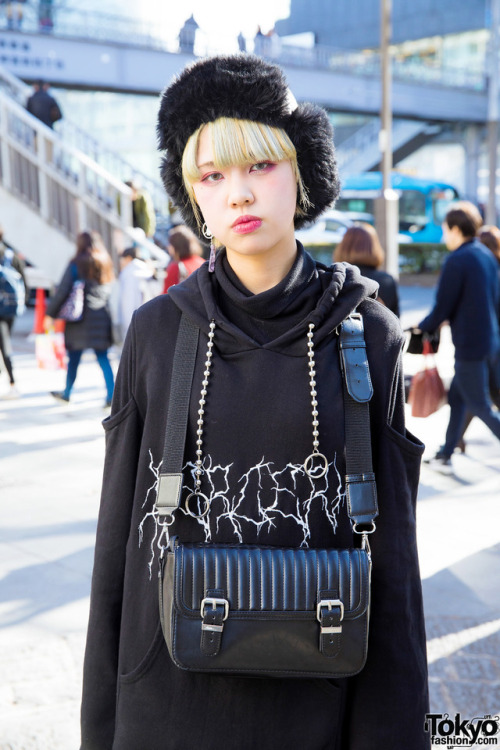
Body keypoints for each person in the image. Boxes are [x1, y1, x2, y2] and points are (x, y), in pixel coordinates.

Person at [80, 55, 429, 749]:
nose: (238, 193)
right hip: (167, 703)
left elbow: (394, 566)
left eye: (259, 166)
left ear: (301, 172)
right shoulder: (155, 331)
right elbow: (117, 542)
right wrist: (101, 726)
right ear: (193, 196)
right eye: (213, 175)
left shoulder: (370, 333)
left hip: (319, 705)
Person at [419, 202, 500, 469]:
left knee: (480, 405)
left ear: (455, 229)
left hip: (470, 345)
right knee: (457, 398)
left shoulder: (457, 260)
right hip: (490, 341)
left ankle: (446, 452)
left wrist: (421, 327)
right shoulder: (485, 254)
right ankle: (446, 452)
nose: (444, 236)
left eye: (445, 229)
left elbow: (443, 306)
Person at [44, 231, 115, 407]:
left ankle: (67, 392)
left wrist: (50, 315)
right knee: (103, 358)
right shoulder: (104, 261)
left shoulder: (76, 264)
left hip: (79, 319)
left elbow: (63, 291)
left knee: (74, 357)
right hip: (101, 315)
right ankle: (112, 396)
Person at [334, 223, 400, 317]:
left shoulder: (334, 278)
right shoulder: (386, 281)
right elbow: (396, 321)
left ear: (343, 246)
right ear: (374, 246)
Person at [117, 246, 155, 341]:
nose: (121, 262)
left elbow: (128, 301)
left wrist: (128, 324)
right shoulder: (147, 270)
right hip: (149, 314)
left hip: (134, 318)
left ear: (129, 258)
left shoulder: (129, 273)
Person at [163, 224, 205, 293]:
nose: (168, 247)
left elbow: (165, 295)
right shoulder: (203, 263)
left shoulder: (176, 267)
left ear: (175, 246)